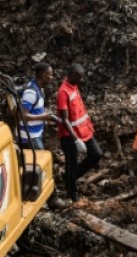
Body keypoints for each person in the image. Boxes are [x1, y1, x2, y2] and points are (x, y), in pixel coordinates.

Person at [56, 64, 102, 202]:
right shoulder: (63, 92)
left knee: (96, 154)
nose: (81, 79)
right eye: (79, 76)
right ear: (71, 75)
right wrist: (75, 140)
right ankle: (72, 194)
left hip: (84, 131)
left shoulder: (73, 86)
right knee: (72, 164)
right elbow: (64, 119)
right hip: (70, 136)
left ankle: (71, 177)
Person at [19, 62, 53, 149]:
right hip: (30, 137)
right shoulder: (31, 92)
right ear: (44, 75)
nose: (51, 77)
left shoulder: (38, 88)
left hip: (35, 134)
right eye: (50, 75)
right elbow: (24, 116)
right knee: (39, 161)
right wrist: (43, 117)